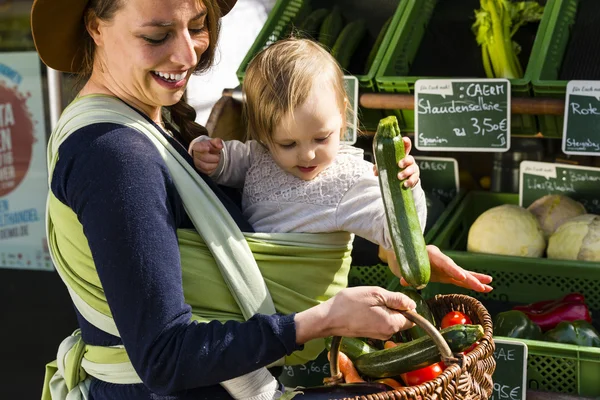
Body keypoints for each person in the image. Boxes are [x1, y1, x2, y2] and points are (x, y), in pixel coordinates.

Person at [31, 1, 493, 399]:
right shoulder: (115, 155)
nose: (186, 53)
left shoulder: (145, 126)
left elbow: (262, 222)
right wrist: (321, 320)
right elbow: (165, 358)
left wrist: (393, 239)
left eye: (196, 26)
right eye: (156, 34)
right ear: (96, 26)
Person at [190, 38, 426, 266]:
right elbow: (226, 163)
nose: (308, 155)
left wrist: (406, 188)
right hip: (251, 285)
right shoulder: (258, 155)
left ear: (342, 115)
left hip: (306, 301)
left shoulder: (351, 179)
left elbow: (399, 238)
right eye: (288, 144)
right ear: (263, 133)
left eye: (321, 138)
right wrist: (209, 153)